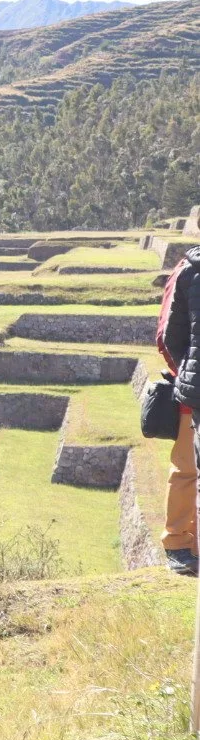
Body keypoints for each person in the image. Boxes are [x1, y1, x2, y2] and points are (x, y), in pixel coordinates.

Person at [157, 246, 200, 576]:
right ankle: (177, 543)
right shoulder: (188, 269)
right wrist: (185, 374)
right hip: (194, 392)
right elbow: (167, 335)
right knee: (186, 470)